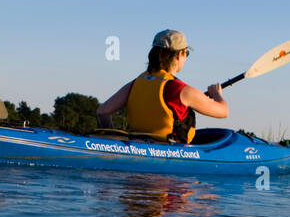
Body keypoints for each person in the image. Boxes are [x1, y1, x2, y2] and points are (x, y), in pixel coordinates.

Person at [97, 30, 227, 143]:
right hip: (169, 153)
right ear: (179, 54)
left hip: (135, 146)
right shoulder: (183, 91)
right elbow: (223, 111)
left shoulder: (135, 84)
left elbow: (103, 112)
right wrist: (216, 94)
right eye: (186, 54)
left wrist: (113, 139)